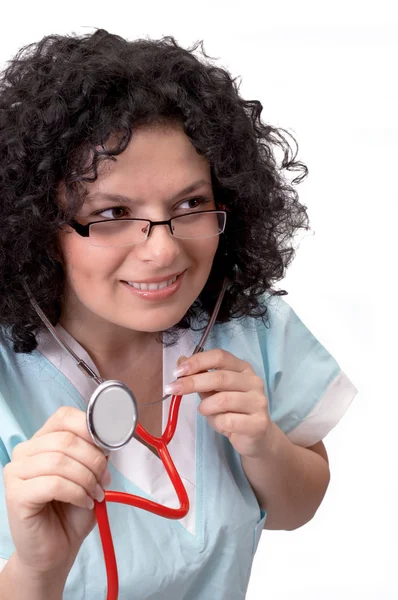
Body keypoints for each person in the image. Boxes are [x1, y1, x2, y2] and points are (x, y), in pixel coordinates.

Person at [0, 29, 357, 600]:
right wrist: (37, 572)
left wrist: (263, 444)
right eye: (114, 211)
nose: (163, 250)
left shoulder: (248, 324)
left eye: (189, 204)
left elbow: (296, 509)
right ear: (38, 223)